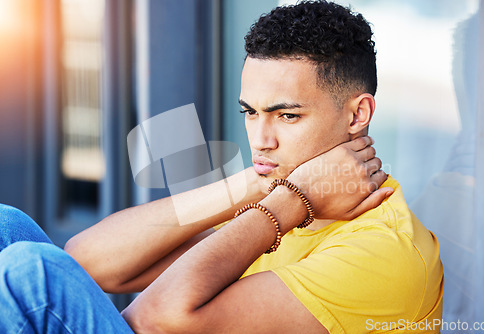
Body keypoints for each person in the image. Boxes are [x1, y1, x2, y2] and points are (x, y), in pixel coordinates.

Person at [0, 1, 443, 333]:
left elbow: (155, 321)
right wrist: (253, 184)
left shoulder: (384, 253)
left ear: (356, 114)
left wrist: (288, 201)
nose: (261, 140)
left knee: (31, 274)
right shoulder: (285, 188)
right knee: (8, 226)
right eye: (250, 113)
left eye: (287, 116)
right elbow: (88, 262)